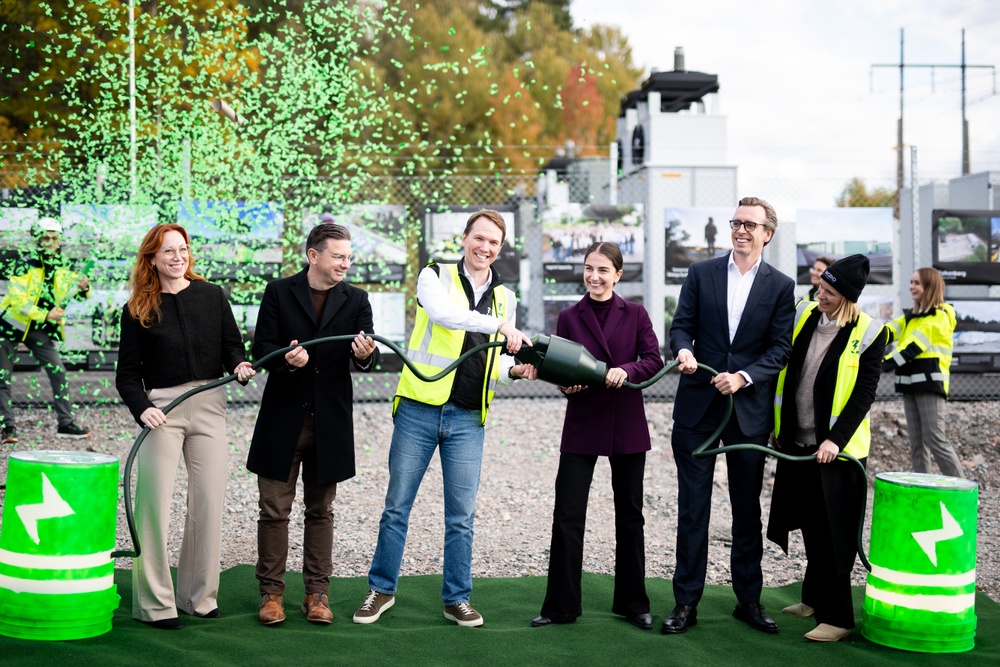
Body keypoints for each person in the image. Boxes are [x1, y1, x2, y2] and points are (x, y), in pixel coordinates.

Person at [353, 209, 536, 628]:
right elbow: (443, 316)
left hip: (469, 417)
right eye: (479, 238)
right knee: (397, 507)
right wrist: (500, 326)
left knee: (461, 515)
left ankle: (457, 598)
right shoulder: (434, 275)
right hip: (419, 408)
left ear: (500, 249)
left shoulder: (506, 298)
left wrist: (514, 371)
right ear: (465, 238)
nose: (485, 247)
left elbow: (491, 363)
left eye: (493, 242)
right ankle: (380, 590)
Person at [663, 196, 795, 635]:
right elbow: (681, 325)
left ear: (767, 234)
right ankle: (685, 603)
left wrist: (742, 377)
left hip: (748, 413)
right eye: (736, 222)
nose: (741, 230)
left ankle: (749, 601)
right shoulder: (701, 273)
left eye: (750, 225)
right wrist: (683, 349)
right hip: (699, 406)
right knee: (692, 509)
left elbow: (780, 349)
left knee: (746, 510)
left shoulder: (780, 285)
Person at [116, 223, 255, 630]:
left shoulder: (212, 296)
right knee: (153, 508)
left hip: (211, 406)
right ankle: (156, 603)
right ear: (152, 259)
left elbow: (233, 347)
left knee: (209, 503)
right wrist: (143, 408)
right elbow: (126, 376)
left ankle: (198, 596)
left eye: (183, 249)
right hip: (163, 411)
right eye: (168, 252)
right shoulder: (138, 309)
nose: (178, 257)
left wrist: (238, 367)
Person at [247, 222, 379, 626]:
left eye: (349, 257)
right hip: (282, 418)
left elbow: (368, 357)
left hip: (330, 423)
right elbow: (261, 351)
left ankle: (317, 595)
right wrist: (285, 360)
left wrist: (363, 353)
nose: (345, 264)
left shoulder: (357, 299)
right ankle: (271, 595)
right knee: (273, 510)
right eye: (338, 256)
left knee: (321, 510)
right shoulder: (278, 292)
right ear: (313, 256)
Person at [529, 242, 663, 631]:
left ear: (618, 275)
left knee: (631, 515)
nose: (594, 276)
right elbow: (559, 367)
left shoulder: (636, 313)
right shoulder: (570, 316)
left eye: (603, 270)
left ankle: (633, 604)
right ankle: (560, 607)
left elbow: (652, 358)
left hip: (626, 422)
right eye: (589, 268)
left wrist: (627, 371)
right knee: (568, 514)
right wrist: (564, 387)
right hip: (583, 421)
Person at [767, 254, 888, 642]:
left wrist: (835, 440)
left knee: (834, 531)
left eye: (830, 292)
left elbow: (863, 395)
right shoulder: (806, 315)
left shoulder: (869, 333)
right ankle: (814, 599)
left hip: (840, 451)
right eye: (820, 286)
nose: (821, 294)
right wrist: (777, 427)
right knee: (809, 520)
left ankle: (839, 619)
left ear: (848, 297)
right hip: (798, 441)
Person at [0, 217, 92, 442]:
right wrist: (45, 314)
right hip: (11, 325)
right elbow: (18, 300)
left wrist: (84, 287)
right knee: (3, 376)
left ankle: (65, 423)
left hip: (38, 329)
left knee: (58, 371)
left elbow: (75, 292)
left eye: (54, 237)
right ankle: (8, 428)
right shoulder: (24, 263)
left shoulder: (64, 264)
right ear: (37, 239)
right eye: (45, 237)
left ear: (59, 240)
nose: (50, 241)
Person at [882, 268, 964, 478]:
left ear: (930, 286)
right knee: (917, 444)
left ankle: (963, 493)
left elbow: (913, 347)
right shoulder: (910, 317)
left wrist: (881, 364)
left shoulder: (941, 315)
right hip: (910, 385)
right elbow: (886, 331)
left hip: (929, 385)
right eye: (911, 282)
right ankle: (924, 490)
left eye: (917, 283)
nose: (912, 286)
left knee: (935, 438)